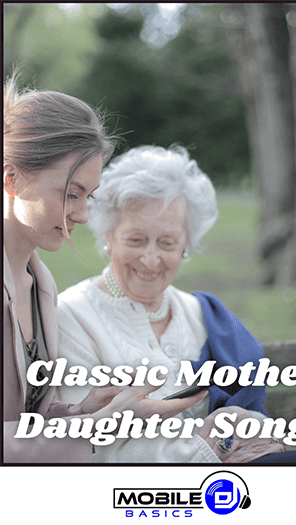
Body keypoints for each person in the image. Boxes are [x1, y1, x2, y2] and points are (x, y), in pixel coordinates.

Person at [57, 145, 296, 464]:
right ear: (108, 236)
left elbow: (250, 416)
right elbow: (83, 447)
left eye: (167, 243)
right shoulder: (72, 316)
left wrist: (253, 431)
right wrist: (209, 446)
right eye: (136, 240)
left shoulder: (202, 314)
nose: (151, 258)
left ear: (186, 245)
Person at [3, 75, 204, 463]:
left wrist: (88, 409)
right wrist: (97, 429)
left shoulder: (40, 286)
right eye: (70, 194)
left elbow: (30, 420)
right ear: (12, 179)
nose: (81, 214)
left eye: (88, 196)